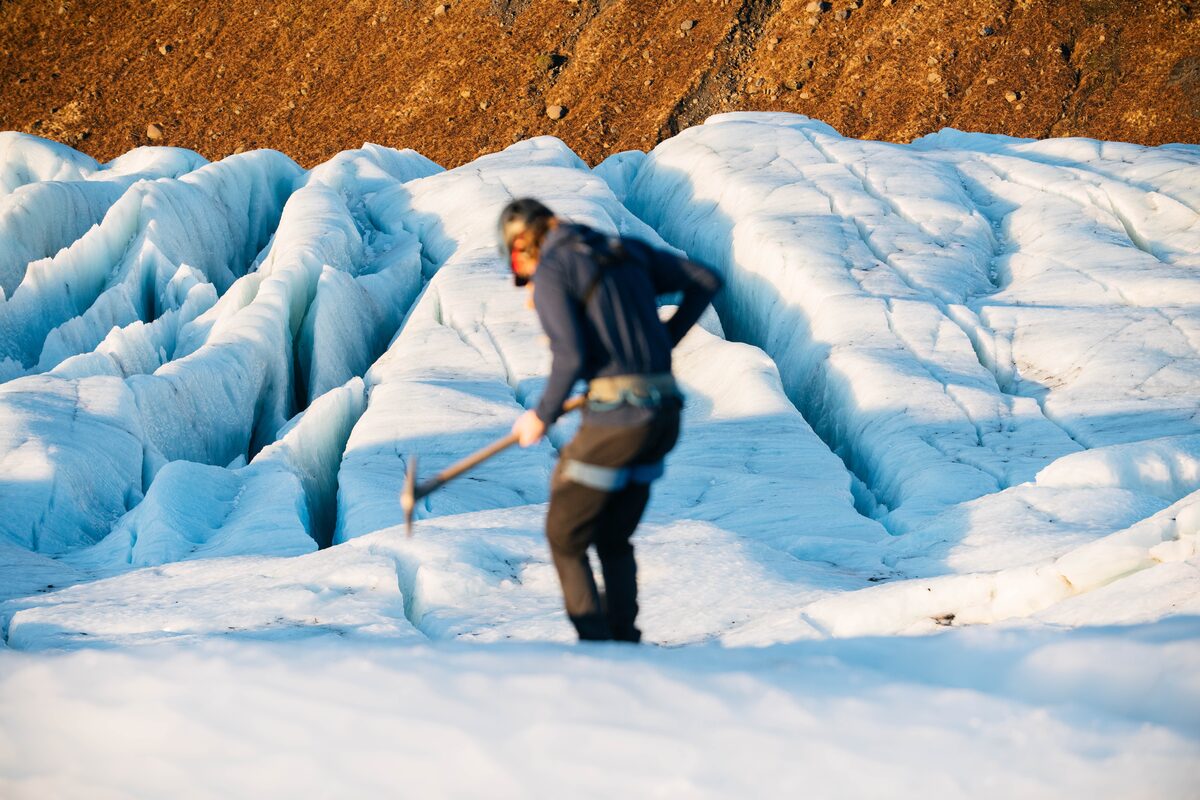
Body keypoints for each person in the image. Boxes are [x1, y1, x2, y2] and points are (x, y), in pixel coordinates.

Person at [500, 198, 723, 642]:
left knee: (564, 536)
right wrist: (664, 339)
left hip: (617, 423)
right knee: (612, 537)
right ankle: (624, 642)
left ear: (523, 243)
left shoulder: (552, 271)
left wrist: (540, 416)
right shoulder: (625, 250)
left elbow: (571, 355)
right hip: (663, 416)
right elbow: (706, 280)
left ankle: (598, 648)